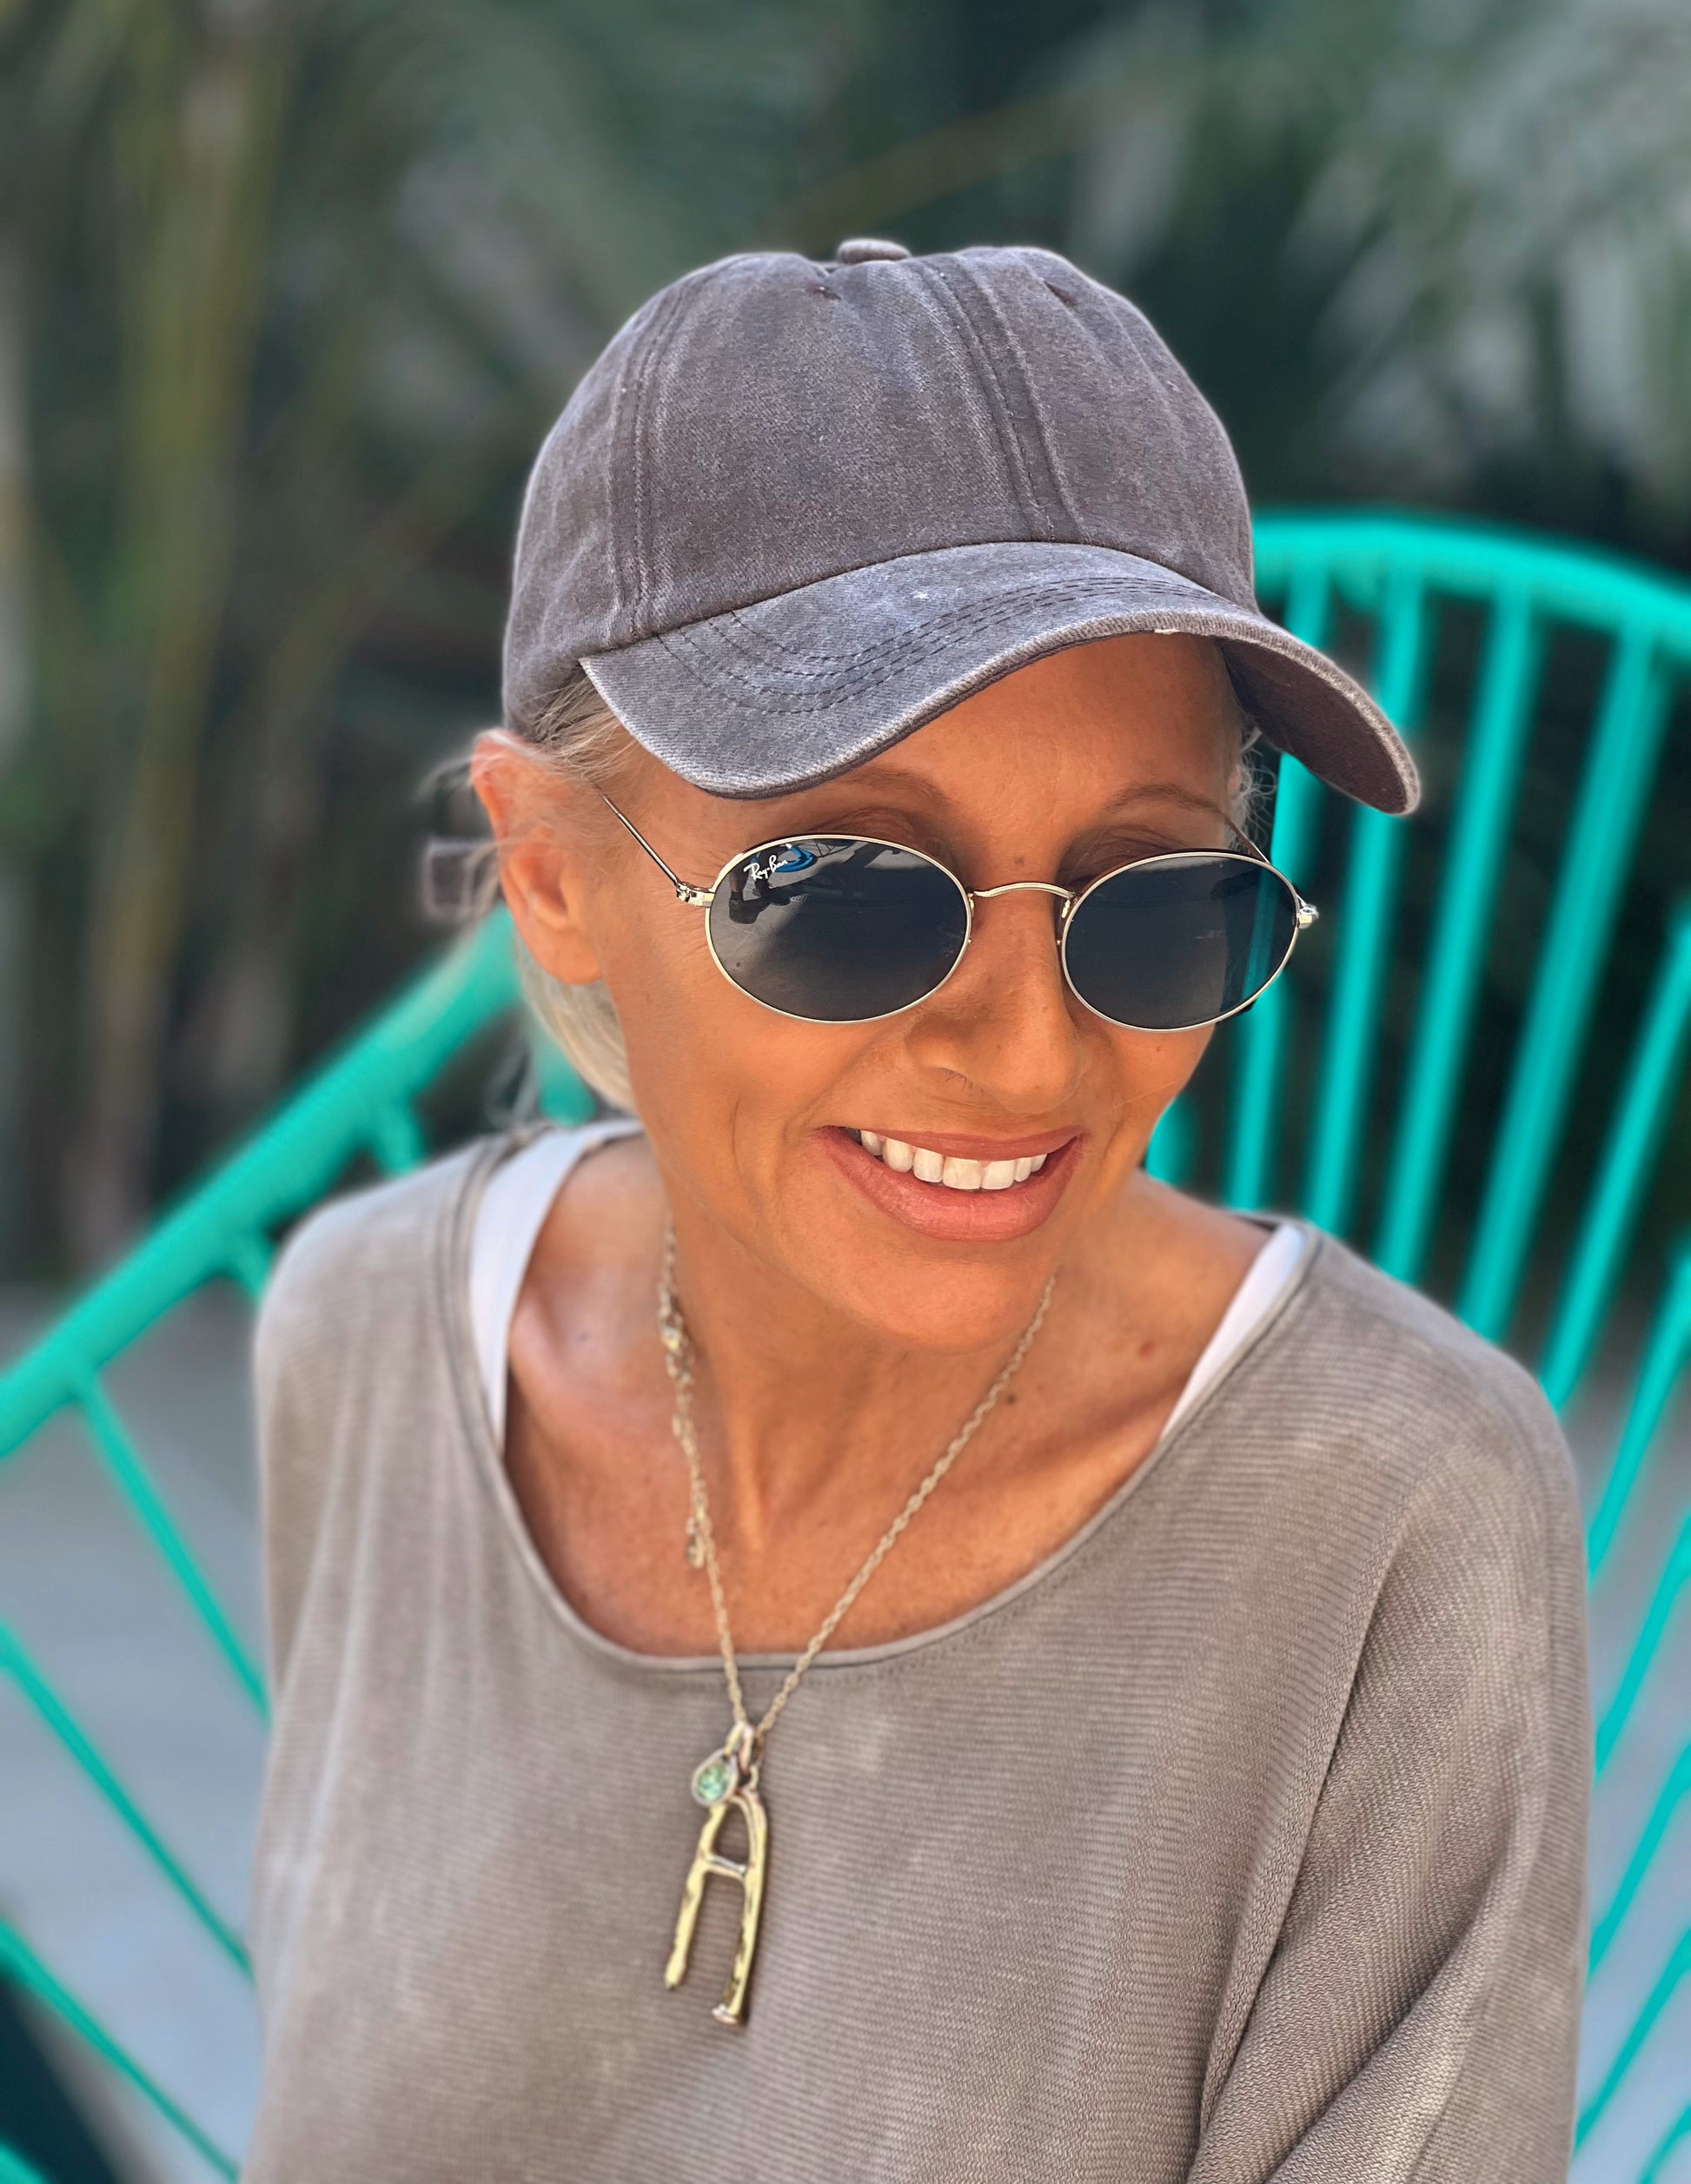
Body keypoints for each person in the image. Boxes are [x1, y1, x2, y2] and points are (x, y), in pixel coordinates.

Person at [244, 240, 1589, 2184]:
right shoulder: (368, 1343)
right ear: (547, 875)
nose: (1030, 1053)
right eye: (850, 897)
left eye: (1155, 902)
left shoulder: (1392, 1515)